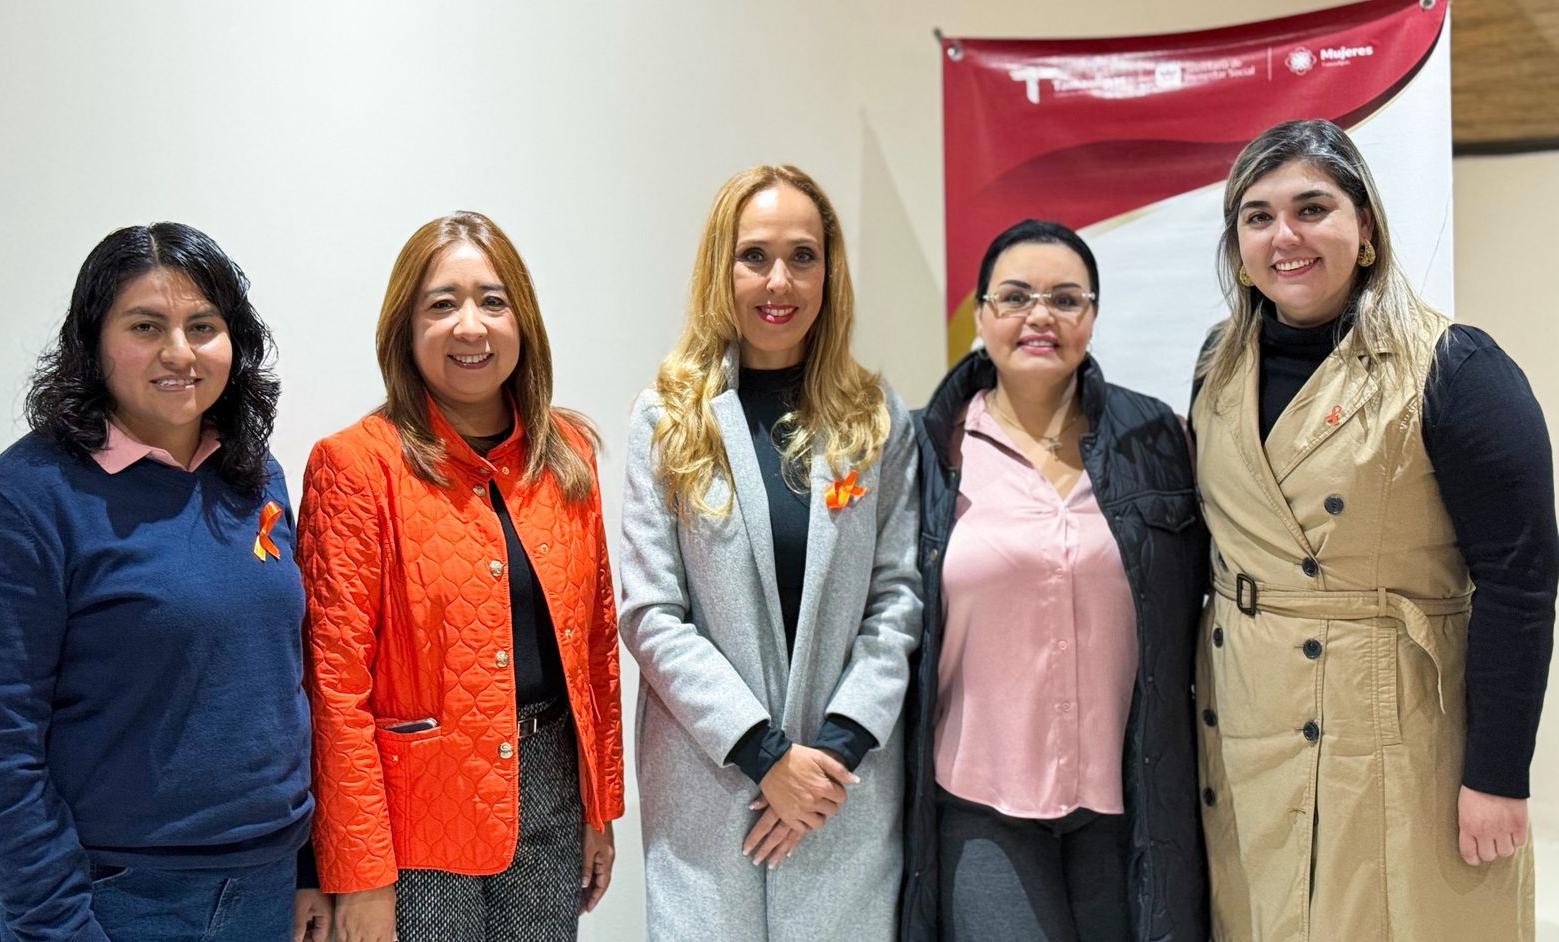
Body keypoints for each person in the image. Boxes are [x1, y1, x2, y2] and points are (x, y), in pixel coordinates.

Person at [1193, 118, 1557, 940]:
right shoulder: (1218, 365)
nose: (1284, 236)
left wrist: (1499, 774)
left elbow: (1520, 580)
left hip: (1394, 725)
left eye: (1311, 208)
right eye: (1257, 216)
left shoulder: (1455, 368)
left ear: (1364, 228)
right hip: (1246, 717)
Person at [0, 223, 325, 942]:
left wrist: (308, 863)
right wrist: (54, 921)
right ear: (93, 342)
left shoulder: (255, 475)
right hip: (115, 895)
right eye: (146, 326)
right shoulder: (28, 496)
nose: (179, 352)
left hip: (267, 885)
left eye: (203, 326)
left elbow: (282, 681)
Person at [298, 211, 623, 942]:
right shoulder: (355, 466)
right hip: (415, 819)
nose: (470, 326)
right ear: (405, 329)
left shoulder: (567, 455)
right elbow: (333, 690)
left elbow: (596, 646)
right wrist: (358, 875)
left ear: (522, 320)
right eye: (442, 304)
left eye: (492, 301)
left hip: (552, 794)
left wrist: (598, 808)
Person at [618, 165, 921, 940]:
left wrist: (831, 756)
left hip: (839, 797)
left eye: (802, 256)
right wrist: (765, 755)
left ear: (829, 272)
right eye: (754, 256)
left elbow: (897, 600)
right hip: (710, 802)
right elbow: (652, 614)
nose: (778, 281)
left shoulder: (876, 419)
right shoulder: (666, 420)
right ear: (720, 269)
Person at [899, 220, 1209, 941]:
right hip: (980, 800)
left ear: (1092, 318)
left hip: (1126, 801)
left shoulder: (1157, 439)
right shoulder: (927, 449)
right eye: (1015, 297)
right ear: (982, 316)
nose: (1040, 316)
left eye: (1066, 300)